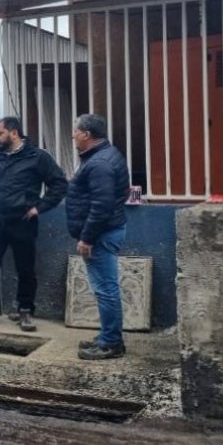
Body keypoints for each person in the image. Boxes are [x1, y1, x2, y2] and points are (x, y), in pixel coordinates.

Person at [0, 116, 67, 331]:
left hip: (23, 221)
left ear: (14, 133)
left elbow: (60, 184)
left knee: (25, 269)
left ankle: (24, 311)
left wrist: (40, 207)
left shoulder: (37, 157)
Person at [67, 114, 130, 360]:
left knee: (105, 289)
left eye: (76, 131)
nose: (73, 135)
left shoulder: (99, 164)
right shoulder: (105, 155)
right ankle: (108, 335)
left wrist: (87, 238)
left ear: (87, 135)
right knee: (106, 287)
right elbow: (118, 195)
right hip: (107, 230)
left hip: (100, 234)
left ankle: (110, 343)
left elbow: (101, 205)